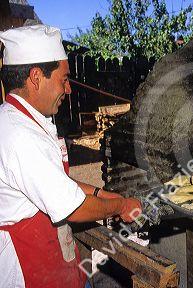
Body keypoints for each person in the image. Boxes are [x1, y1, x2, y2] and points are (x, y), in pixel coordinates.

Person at [0, 25, 142, 288]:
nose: (68, 90)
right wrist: (121, 206)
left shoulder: (23, 121)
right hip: (32, 268)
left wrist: (100, 194)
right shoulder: (19, 135)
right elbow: (73, 208)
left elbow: (54, 183)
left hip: (55, 262)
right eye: (64, 79)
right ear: (36, 77)